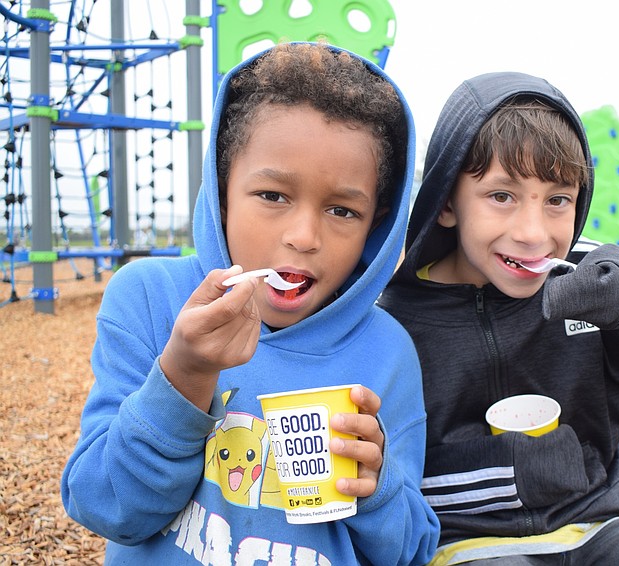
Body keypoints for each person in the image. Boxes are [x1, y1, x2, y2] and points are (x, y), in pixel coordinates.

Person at [61, 42, 439, 565]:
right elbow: (104, 507)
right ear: (221, 192)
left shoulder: (388, 352)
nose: (304, 236)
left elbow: (411, 552)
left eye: (342, 210)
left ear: (376, 224)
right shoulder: (150, 300)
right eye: (273, 196)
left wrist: (376, 490)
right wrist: (184, 375)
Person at [378, 72, 619, 565]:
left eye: (557, 200)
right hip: (464, 544)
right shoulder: (393, 319)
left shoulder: (596, 289)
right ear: (444, 203)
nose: (533, 232)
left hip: (599, 525)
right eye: (501, 196)